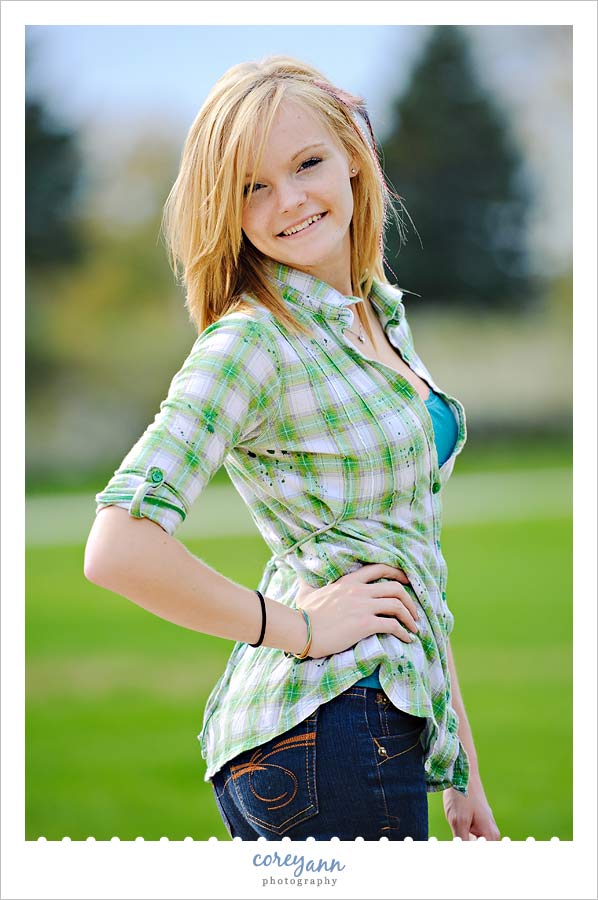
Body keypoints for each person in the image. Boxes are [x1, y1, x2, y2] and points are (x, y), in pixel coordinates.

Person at [84, 55, 500, 842]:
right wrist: (296, 627)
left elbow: (406, 560)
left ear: (353, 153)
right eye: (252, 186)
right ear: (227, 207)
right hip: (330, 730)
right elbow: (117, 546)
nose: (290, 202)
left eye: (307, 163)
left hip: (377, 720)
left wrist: (462, 772)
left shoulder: (375, 316)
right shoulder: (253, 341)